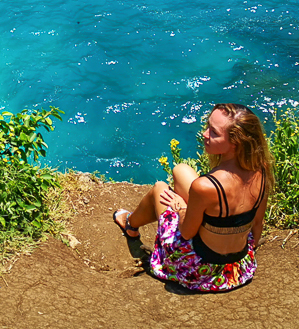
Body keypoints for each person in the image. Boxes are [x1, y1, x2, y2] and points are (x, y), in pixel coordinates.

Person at [114, 103, 273, 292]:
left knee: (160, 188)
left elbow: (187, 232)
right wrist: (247, 252)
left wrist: (181, 208)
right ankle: (136, 222)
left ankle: (131, 225)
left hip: (200, 270)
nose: (205, 134)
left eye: (214, 132)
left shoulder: (205, 186)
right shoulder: (261, 170)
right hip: (237, 268)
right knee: (181, 170)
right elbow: (257, 224)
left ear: (236, 143)